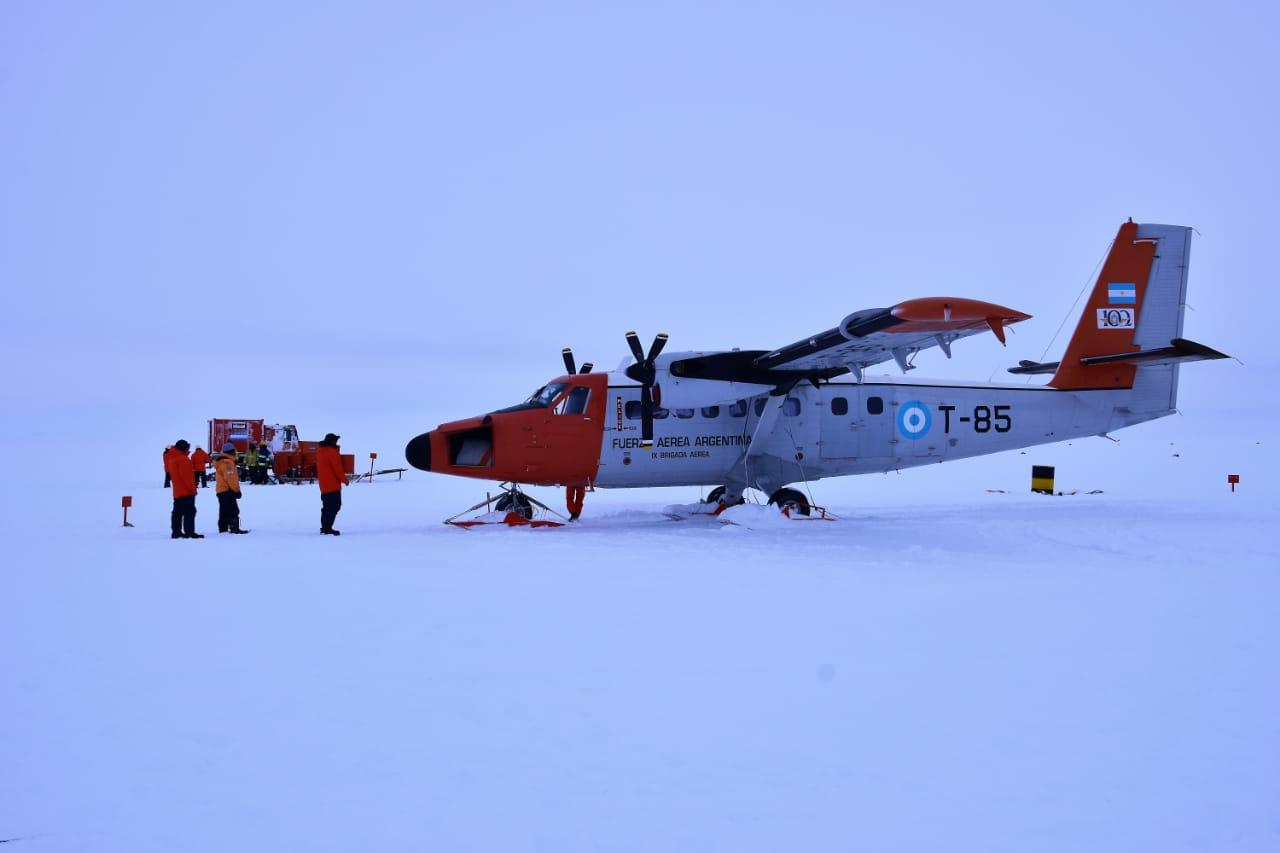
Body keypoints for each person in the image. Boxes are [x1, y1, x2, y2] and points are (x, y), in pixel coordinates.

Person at [164, 439, 203, 539]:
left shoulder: (172, 459)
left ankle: (176, 532)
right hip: (186, 491)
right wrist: (193, 490)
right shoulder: (183, 459)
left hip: (177, 491)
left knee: (177, 512)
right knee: (190, 512)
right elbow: (187, 477)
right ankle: (189, 532)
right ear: (184, 448)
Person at [212, 442, 249, 534]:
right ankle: (234, 528)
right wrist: (236, 491)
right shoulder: (228, 463)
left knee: (224, 511)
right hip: (227, 490)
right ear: (232, 452)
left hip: (221, 490)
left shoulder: (221, 461)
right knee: (233, 510)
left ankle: (223, 529)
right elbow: (230, 479)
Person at [317, 432, 346, 535]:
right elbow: (338, 469)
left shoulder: (321, 452)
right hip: (333, 485)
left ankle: (325, 527)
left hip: (324, 486)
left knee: (327, 507)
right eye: (335, 440)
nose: (336, 442)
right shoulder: (332, 453)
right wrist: (345, 480)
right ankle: (327, 528)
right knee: (335, 506)